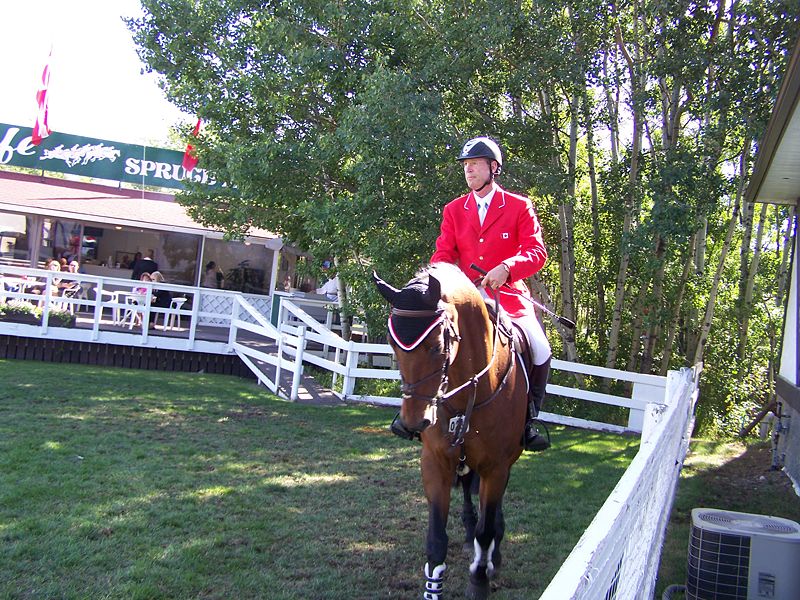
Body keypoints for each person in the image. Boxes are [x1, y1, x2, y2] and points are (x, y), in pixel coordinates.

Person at [428, 136, 552, 451]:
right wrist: (444, 283)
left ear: (493, 167)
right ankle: (424, 412)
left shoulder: (519, 206)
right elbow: (442, 255)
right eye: (465, 166)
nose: (468, 170)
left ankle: (528, 420)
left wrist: (508, 268)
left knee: (541, 348)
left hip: (509, 298)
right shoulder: (454, 210)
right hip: (467, 298)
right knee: (429, 340)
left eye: (474, 164)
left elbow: (536, 251)